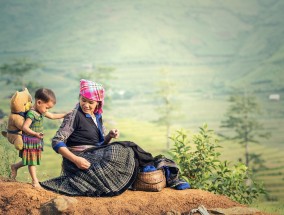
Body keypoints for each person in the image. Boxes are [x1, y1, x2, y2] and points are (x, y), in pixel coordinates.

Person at [40, 79, 189, 196]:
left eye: (90, 102)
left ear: (98, 103)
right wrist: (76, 160)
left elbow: (98, 144)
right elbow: (57, 141)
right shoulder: (74, 115)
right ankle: (160, 170)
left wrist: (109, 137)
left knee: (126, 151)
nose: (86, 105)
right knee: (126, 147)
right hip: (79, 159)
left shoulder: (97, 116)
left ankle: (161, 172)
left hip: (95, 154)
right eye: (83, 100)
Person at [11, 88, 68, 188]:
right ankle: (35, 181)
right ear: (39, 102)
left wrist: (65, 115)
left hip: (36, 140)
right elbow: (25, 127)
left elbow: (53, 116)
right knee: (32, 161)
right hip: (30, 140)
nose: (47, 110)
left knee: (30, 159)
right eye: (47, 107)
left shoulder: (41, 111)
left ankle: (15, 166)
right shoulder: (32, 114)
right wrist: (35, 134)